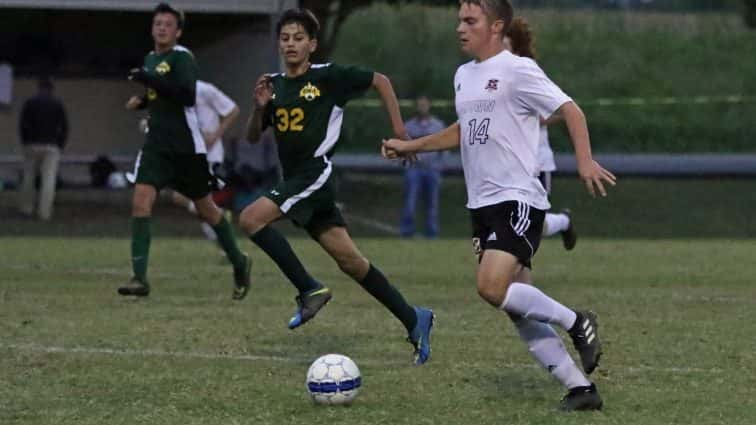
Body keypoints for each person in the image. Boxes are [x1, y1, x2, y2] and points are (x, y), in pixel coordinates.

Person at [383, 0, 616, 410]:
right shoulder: (463, 76)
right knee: (516, 304)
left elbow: (570, 110)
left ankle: (577, 322)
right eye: (459, 19)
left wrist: (583, 161)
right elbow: (463, 129)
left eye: (470, 21)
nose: (460, 27)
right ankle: (581, 389)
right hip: (481, 205)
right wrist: (412, 146)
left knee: (491, 288)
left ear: (495, 27)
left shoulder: (517, 69)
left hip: (517, 197)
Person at [241, 8, 434, 365]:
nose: (291, 44)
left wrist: (401, 132)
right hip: (297, 180)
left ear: (312, 44)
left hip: (313, 174)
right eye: (285, 38)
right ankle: (414, 318)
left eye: (299, 38)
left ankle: (309, 289)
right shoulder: (273, 84)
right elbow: (253, 137)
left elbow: (381, 80)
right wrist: (258, 108)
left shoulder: (328, 78)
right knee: (351, 262)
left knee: (250, 219)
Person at [118, 3, 250, 297]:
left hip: (186, 148)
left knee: (208, 210)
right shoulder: (151, 58)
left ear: (177, 32)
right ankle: (139, 279)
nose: (161, 28)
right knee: (141, 202)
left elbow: (186, 95)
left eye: (167, 24)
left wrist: (149, 80)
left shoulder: (182, 57)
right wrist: (143, 101)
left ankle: (239, 262)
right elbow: (160, 95)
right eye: (157, 23)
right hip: (156, 146)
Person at [505, 18, 576, 250]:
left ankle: (564, 222)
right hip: (508, 160)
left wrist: (565, 115)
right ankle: (509, 266)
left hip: (537, 160)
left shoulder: (527, 71)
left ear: (514, 44)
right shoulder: (489, 73)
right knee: (509, 218)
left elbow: (546, 114)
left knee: (534, 223)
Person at [167, 80, 240, 244]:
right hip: (187, 154)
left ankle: (224, 239)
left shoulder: (205, 90)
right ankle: (220, 224)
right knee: (183, 198)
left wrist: (215, 135)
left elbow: (233, 110)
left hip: (208, 155)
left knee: (188, 197)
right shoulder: (173, 91)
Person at [18, 77, 68, 220]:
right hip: (51, 145)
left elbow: (23, 124)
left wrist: (25, 141)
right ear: (52, 89)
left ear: (38, 87)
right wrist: (60, 144)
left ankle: (26, 209)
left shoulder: (30, 103)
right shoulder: (57, 104)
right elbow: (64, 127)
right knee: (48, 179)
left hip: (32, 143)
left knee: (28, 177)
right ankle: (44, 212)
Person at [400, 95, 446, 238]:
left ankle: (431, 234)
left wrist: (439, 167)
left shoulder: (438, 126)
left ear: (429, 106)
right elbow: (402, 148)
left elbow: (444, 149)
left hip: (432, 169)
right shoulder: (408, 126)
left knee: (432, 204)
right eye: (419, 105)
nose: (422, 107)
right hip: (414, 169)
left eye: (424, 104)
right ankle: (407, 232)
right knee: (410, 202)